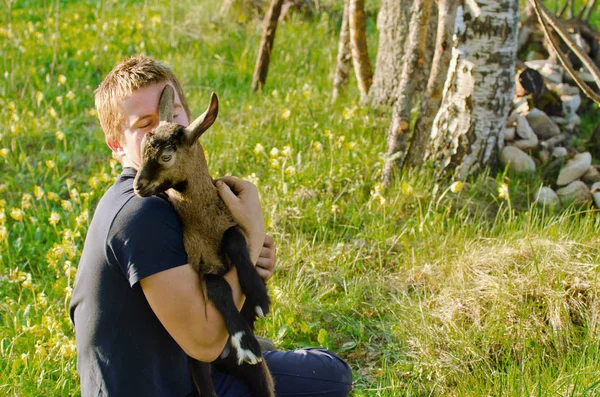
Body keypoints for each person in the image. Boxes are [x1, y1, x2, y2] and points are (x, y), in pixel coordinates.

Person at [69, 54, 352, 397]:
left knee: (308, 368)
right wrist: (251, 236)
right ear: (115, 144)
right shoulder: (141, 213)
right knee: (330, 375)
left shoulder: (175, 197)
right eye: (145, 124)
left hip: (180, 367)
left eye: (171, 115)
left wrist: (249, 260)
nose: (163, 130)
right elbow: (204, 342)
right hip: (174, 384)